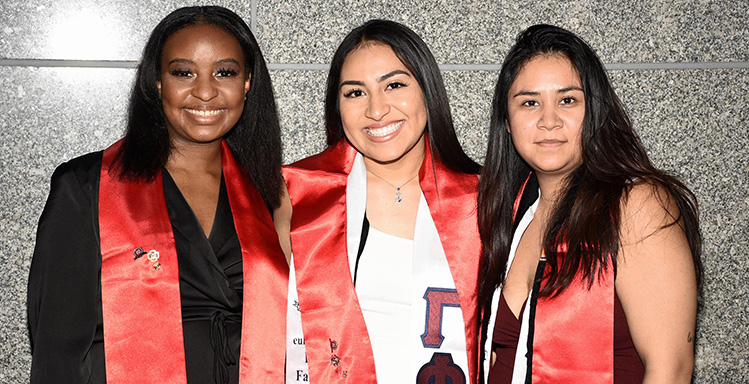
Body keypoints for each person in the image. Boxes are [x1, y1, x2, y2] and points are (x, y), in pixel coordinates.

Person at [27, 6, 290, 384]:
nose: (204, 91)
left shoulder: (270, 192)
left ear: (247, 82)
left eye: (225, 72)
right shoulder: (86, 187)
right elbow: (58, 352)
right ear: (157, 82)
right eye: (183, 72)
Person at [477, 24, 703, 383]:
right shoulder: (512, 213)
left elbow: (671, 369)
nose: (548, 120)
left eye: (568, 100)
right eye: (529, 102)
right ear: (506, 120)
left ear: (595, 110)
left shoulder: (636, 205)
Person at [282, 19, 483, 384]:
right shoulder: (297, 193)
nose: (376, 110)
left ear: (427, 90)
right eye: (355, 93)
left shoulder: (485, 199)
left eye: (394, 85)